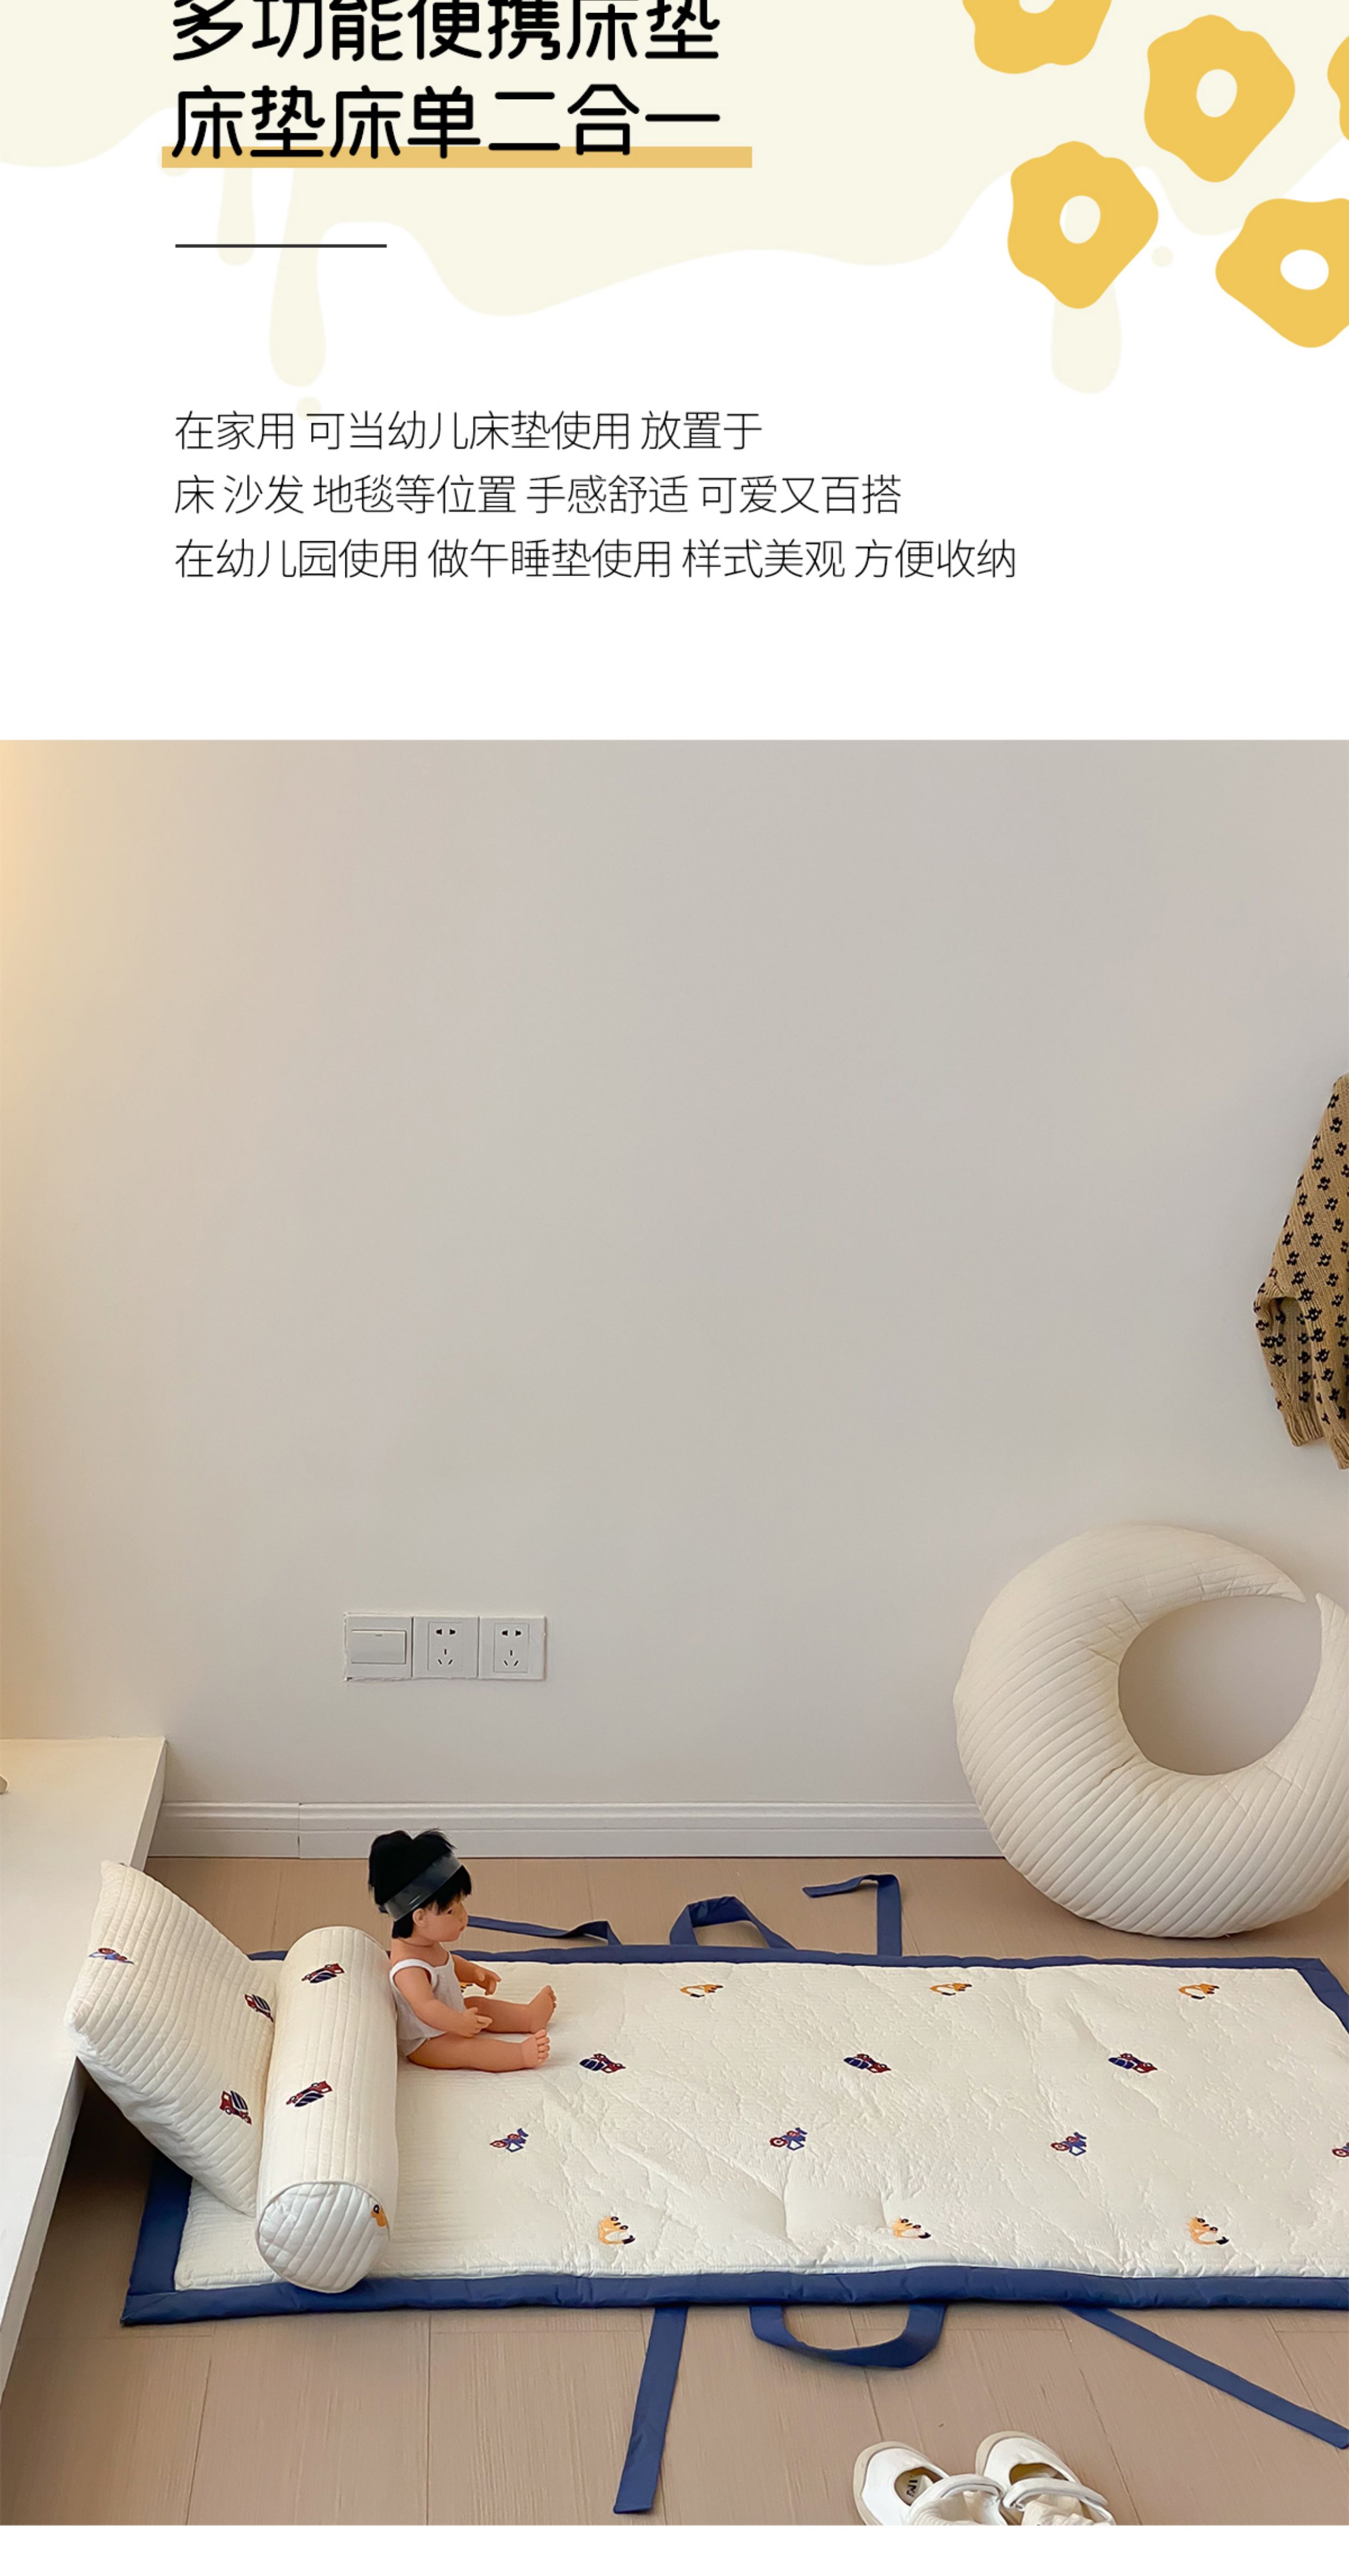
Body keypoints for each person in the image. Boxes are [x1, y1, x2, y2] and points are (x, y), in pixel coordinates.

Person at [368, 1829, 555, 2070]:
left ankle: (528, 2017)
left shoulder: (424, 1943)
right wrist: (458, 2023)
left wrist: (473, 1972)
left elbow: (447, 1963)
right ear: (420, 1918)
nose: (463, 1917)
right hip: (430, 2041)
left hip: (450, 2016)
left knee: (480, 2006)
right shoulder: (408, 1969)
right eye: (450, 1911)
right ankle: (520, 2055)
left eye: (461, 1905)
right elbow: (427, 2008)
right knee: (470, 2049)